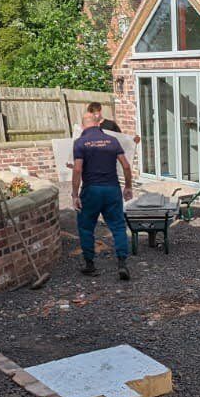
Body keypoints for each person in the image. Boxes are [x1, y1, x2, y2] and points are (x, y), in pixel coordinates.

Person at [72, 102, 134, 280]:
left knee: (86, 227)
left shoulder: (80, 142)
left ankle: (90, 264)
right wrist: (128, 186)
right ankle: (122, 263)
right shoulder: (112, 141)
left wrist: (75, 194)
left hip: (91, 190)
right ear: (98, 124)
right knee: (118, 226)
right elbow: (126, 165)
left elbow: (77, 170)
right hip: (112, 189)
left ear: (83, 126)